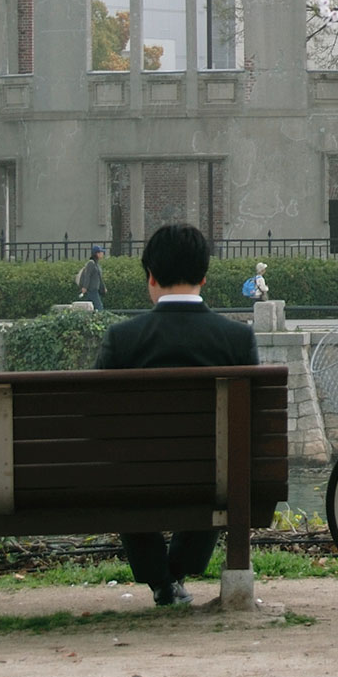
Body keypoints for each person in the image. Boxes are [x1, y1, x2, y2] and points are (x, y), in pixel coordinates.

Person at [98, 223, 259, 606]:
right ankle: (176, 572)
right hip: (214, 479)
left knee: (123, 475)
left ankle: (160, 579)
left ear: (150, 277)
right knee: (224, 469)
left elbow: (98, 419)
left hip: (135, 481)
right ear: (204, 276)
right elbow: (252, 426)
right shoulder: (237, 339)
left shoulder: (122, 339)